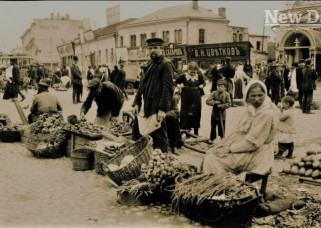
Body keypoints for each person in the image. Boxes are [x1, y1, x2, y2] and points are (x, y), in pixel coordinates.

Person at [202, 80, 278, 179]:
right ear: (247, 97)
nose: (257, 99)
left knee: (212, 159)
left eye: (260, 95)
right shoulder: (251, 108)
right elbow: (240, 131)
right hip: (246, 148)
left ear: (266, 94)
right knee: (213, 152)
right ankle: (221, 183)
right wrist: (224, 144)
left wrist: (229, 149)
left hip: (256, 154)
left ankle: (222, 185)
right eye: (253, 96)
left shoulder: (266, 113)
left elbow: (253, 143)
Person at [132, 38, 175, 152]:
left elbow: (168, 89)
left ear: (161, 49)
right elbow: (142, 85)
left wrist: (162, 109)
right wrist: (136, 102)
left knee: (159, 136)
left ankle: (160, 161)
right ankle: (142, 158)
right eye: (150, 48)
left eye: (155, 48)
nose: (152, 51)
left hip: (156, 106)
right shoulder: (150, 64)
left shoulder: (166, 64)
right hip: (145, 105)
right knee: (137, 134)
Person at [175, 62, 206, 136]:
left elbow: (204, 83)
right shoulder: (183, 76)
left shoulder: (199, 76)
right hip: (186, 97)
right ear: (188, 70)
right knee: (186, 113)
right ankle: (187, 132)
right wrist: (179, 85)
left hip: (196, 97)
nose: (192, 73)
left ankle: (196, 132)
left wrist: (202, 85)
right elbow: (175, 82)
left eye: (194, 72)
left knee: (196, 113)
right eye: (191, 71)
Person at [206, 79, 231, 143]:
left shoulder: (227, 94)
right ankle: (212, 139)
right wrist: (214, 102)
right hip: (214, 114)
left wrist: (222, 106)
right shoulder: (214, 93)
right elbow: (207, 101)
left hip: (222, 115)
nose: (219, 88)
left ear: (225, 88)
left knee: (222, 127)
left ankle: (222, 138)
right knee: (213, 127)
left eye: (221, 86)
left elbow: (229, 104)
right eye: (218, 86)